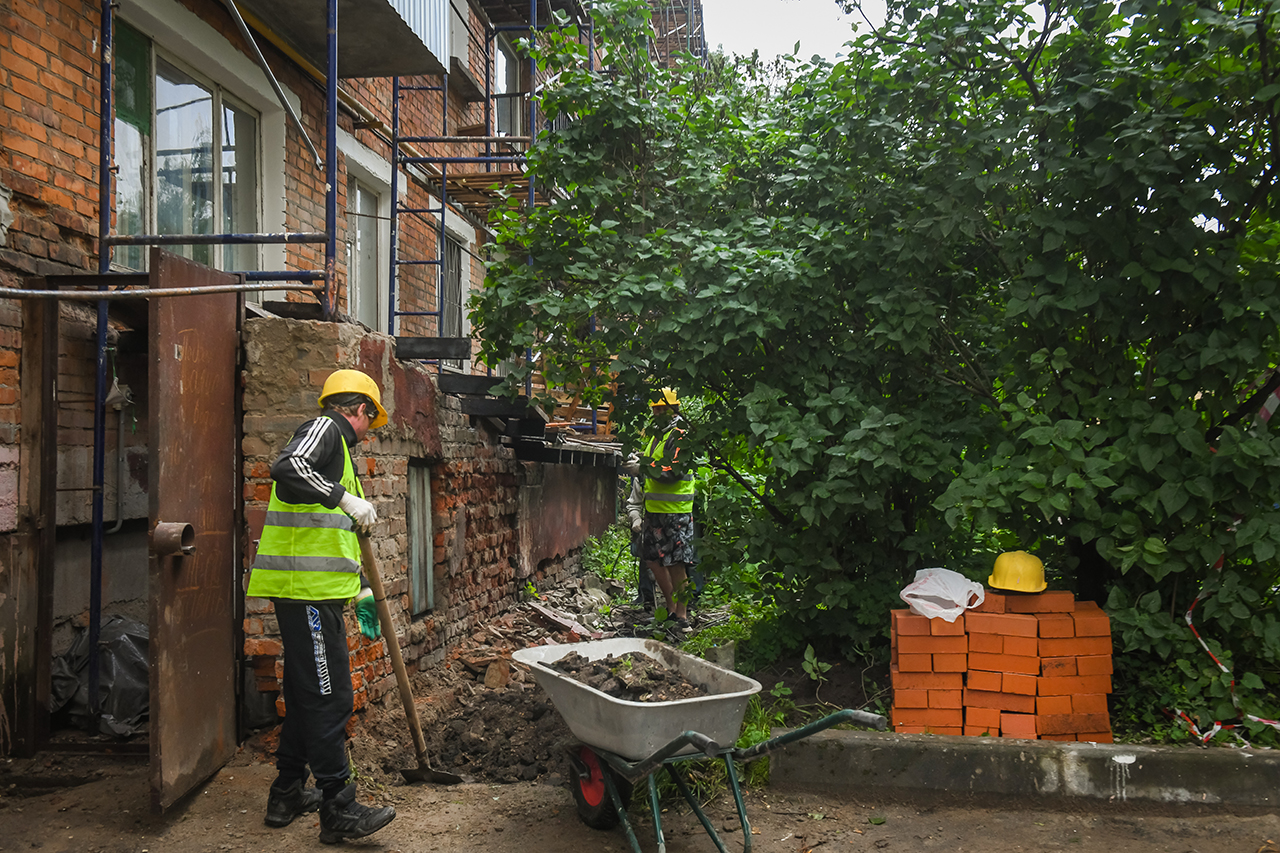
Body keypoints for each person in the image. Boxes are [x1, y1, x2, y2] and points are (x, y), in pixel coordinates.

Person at [246, 368, 396, 844]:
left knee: (308, 691)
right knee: (330, 697)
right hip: (304, 592)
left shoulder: (340, 456)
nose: (371, 431)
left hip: (316, 592)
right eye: (371, 420)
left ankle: (287, 790)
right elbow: (287, 467)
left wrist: (365, 592)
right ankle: (339, 805)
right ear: (359, 411)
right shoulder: (326, 429)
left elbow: (337, 538)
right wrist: (344, 498)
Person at [639, 388, 699, 629]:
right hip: (655, 510)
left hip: (676, 511)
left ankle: (682, 617)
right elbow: (653, 462)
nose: (658, 412)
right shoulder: (658, 435)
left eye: (662, 408)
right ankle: (671, 609)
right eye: (655, 408)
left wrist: (643, 468)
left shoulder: (680, 434)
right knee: (653, 559)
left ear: (674, 408)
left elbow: (674, 472)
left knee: (676, 563)